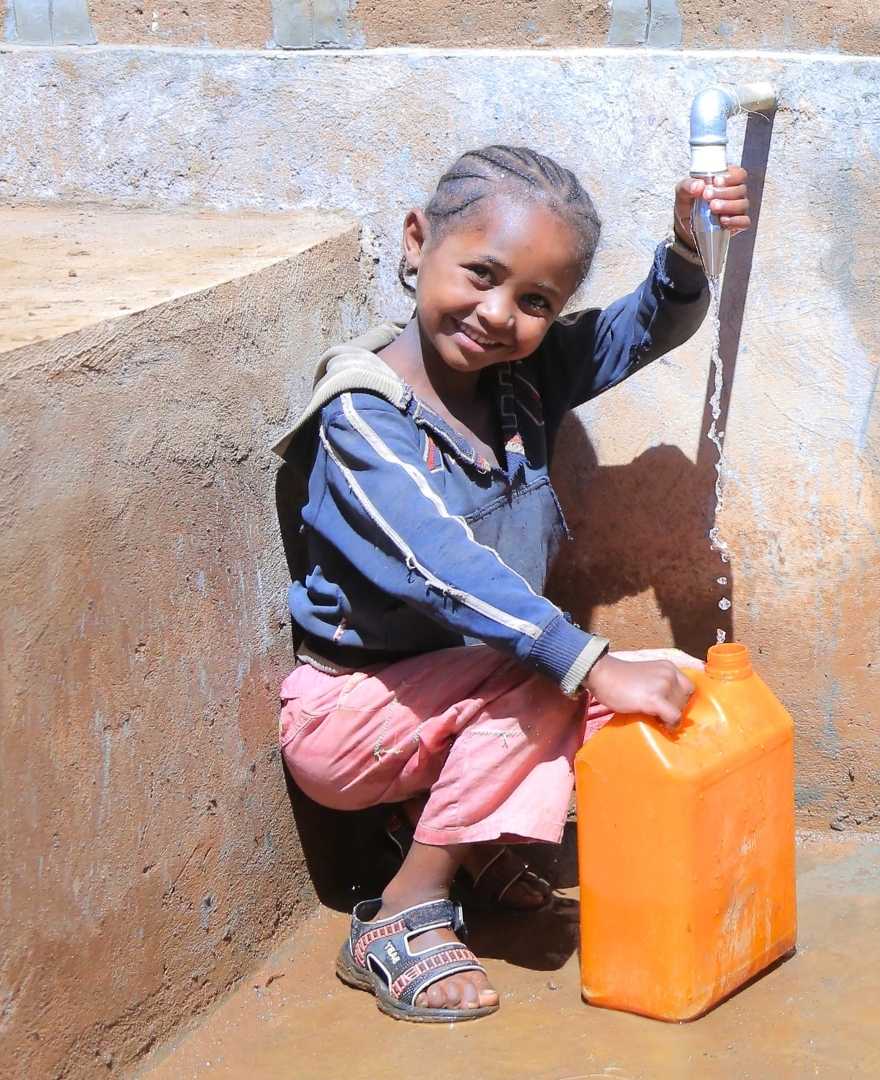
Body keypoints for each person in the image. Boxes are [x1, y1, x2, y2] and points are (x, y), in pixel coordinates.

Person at [270, 144, 750, 1022]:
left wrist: (686, 251)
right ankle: (408, 902)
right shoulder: (363, 417)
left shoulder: (519, 380)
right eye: (480, 275)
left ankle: (454, 832)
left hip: (443, 700)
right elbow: (440, 567)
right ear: (417, 243)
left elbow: (646, 329)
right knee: (566, 669)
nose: (499, 315)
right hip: (348, 720)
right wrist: (589, 662)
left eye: (536, 302)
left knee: (629, 681)